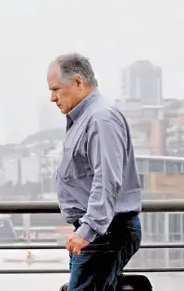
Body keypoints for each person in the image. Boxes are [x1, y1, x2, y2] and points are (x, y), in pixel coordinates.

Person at [47, 53, 143, 291]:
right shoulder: (85, 118)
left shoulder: (101, 119)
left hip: (104, 232)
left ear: (78, 82)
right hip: (98, 231)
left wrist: (88, 231)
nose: (52, 98)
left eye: (56, 89)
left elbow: (107, 180)